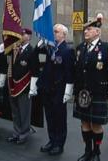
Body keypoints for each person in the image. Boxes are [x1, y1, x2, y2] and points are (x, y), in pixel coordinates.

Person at [73, 14, 108, 161]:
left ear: (97, 32)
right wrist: (75, 91)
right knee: (84, 123)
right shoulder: (80, 48)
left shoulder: (107, 48)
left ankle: (97, 151)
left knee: (96, 125)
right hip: (82, 93)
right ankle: (87, 151)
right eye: (85, 30)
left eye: (89, 29)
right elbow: (78, 71)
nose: (85, 32)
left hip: (98, 92)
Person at [37, 24, 75, 155]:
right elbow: (35, 55)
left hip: (59, 89)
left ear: (63, 34)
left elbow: (69, 72)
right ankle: (52, 140)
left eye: (56, 31)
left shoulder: (67, 50)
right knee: (49, 117)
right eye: (53, 31)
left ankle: (59, 143)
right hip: (47, 88)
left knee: (59, 118)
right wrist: (41, 43)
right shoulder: (50, 48)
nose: (53, 33)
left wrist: (68, 91)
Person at [6, 28, 37, 145]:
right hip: (14, 84)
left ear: (29, 36)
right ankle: (17, 132)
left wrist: (33, 88)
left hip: (24, 86)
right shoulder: (15, 49)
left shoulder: (32, 51)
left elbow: (34, 71)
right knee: (15, 111)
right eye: (21, 34)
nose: (21, 36)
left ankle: (24, 133)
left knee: (24, 112)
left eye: (23, 34)